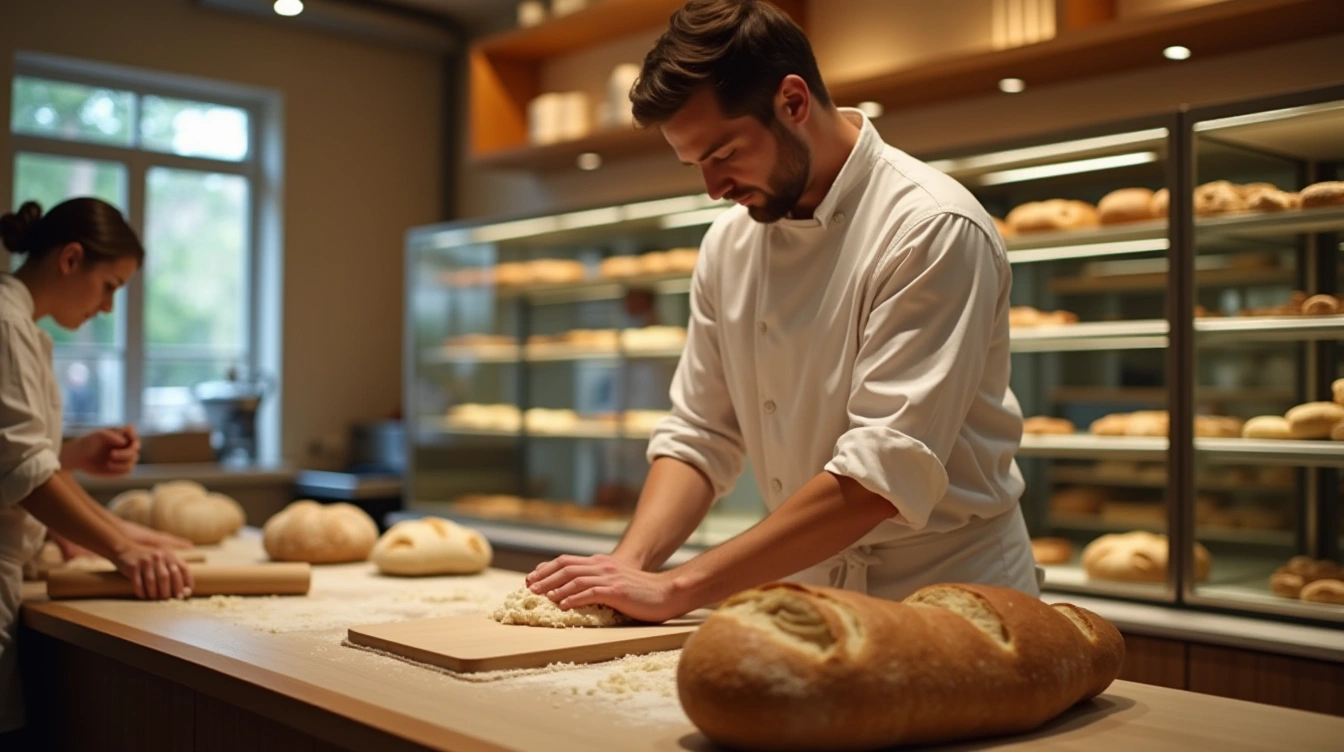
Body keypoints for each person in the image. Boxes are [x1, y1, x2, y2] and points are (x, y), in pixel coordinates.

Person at [526, 0, 1039, 622]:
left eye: (724, 154)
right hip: (806, 590)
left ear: (793, 101)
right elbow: (701, 434)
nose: (713, 189)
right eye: (696, 166)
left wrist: (678, 587)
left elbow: (882, 473)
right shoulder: (729, 244)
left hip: (949, 597)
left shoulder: (930, 227)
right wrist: (629, 567)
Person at [1, 198, 196, 740]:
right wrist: (123, 548)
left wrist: (72, 456)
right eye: (109, 286)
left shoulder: (22, 328)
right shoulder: (6, 325)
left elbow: (18, 461)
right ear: (70, 259)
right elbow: (26, 471)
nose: (108, 307)